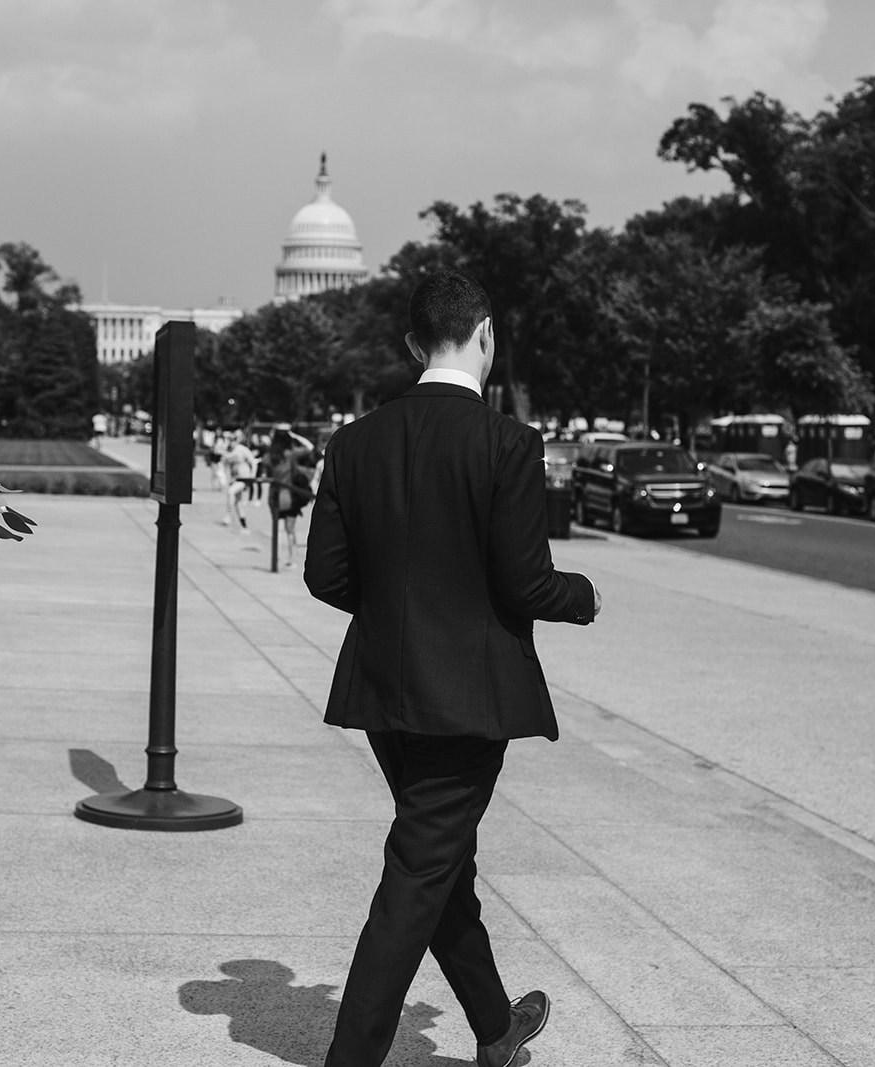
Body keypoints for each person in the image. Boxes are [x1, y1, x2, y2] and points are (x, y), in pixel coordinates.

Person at [304, 268, 601, 1067]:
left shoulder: (355, 440)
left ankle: (496, 1025)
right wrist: (584, 595)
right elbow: (528, 583)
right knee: (418, 871)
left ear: (411, 344)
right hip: (467, 696)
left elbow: (326, 577)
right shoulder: (507, 443)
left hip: (382, 689)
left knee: (441, 862)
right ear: (487, 335)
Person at [265, 425, 317, 566]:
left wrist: (274, 436)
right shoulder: (291, 453)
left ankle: (276, 558)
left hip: (274, 494)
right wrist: (294, 435)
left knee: (277, 528)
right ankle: (291, 558)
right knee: (290, 528)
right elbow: (310, 447)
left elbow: (265, 467)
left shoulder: (271, 456)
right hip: (290, 494)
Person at [220, 433, 258, 531]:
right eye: (231, 440)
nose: (232, 442)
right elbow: (224, 465)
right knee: (238, 503)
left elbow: (253, 462)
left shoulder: (242, 449)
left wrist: (252, 476)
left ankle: (228, 515)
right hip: (235, 479)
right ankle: (244, 525)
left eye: (234, 440)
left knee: (230, 492)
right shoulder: (227, 451)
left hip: (244, 478)